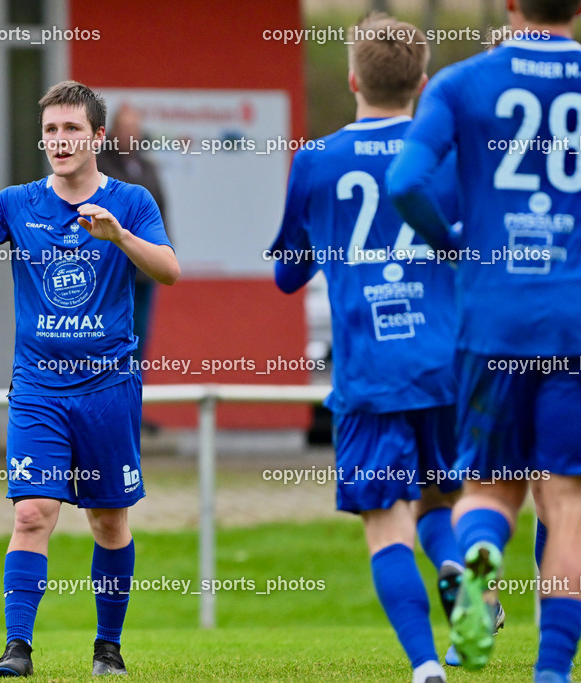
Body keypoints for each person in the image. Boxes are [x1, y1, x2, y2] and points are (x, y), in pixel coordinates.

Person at [0, 80, 179, 677]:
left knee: (108, 519)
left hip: (109, 389)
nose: (59, 141)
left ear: (97, 137)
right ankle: (18, 647)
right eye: (52, 130)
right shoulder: (15, 204)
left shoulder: (132, 201)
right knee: (33, 512)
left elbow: (169, 271)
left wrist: (120, 236)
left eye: (71, 130)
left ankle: (107, 649)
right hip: (38, 388)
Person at [270, 14, 473, 683]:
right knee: (441, 499)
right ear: (421, 82)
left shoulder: (317, 160)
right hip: (447, 363)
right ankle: (460, 580)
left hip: (370, 373)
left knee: (385, 523)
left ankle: (423, 663)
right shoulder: (445, 157)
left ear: (353, 78)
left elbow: (288, 275)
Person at [389, 1, 581, 679]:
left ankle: (478, 584)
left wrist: (453, 248)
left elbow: (406, 182)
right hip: (574, 319)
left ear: (509, 5)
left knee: (488, 490)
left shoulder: (462, 83)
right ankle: (552, 670)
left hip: (494, 318)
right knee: (566, 499)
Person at [96, 104, 170, 391]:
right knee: (109, 337)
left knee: (139, 337)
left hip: (144, 272)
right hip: (111, 271)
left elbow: (161, 213)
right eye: (124, 128)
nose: (129, 134)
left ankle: (135, 403)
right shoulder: (100, 166)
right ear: (113, 131)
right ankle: (107, 400)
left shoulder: (148, 167)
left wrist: (163, 252)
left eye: (134, 129)